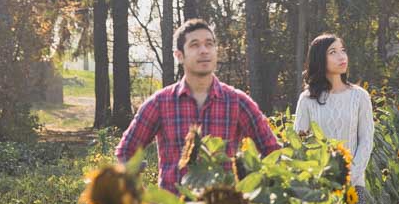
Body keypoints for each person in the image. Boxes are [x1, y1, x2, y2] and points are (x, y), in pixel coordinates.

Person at [115, 18, 280, 192]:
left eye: (209, 44)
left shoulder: (237, 102)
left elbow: (272, 150)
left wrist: (257, 190)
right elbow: (126, 151)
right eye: (194, 45)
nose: (204, 51)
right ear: (179, 55)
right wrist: (143, 201)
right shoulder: (160, 103)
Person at [295, 33, 375, 204]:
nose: (342, 56)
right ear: (321, 59)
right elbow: (301, 143)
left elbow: (366, 140)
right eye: (333, 52)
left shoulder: (359, 96)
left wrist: (350, 176)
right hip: (320, 185)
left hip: (353, 185)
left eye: (343, 50)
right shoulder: (307, 100)